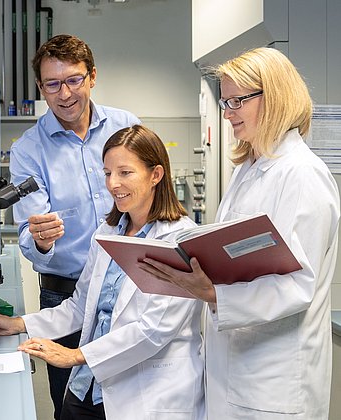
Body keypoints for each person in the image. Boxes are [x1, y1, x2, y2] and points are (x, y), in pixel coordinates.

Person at [139, 47, 340, 419]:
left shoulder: (301, 174)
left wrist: (213, 293)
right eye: (224, 100)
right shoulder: (250, 168)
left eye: (236, 101)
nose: (227, 112)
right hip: (234, 368)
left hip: (274, 381)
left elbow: (296, 285)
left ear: (275, 97)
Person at [0, 125, 205, 420]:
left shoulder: (179, 240)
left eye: (125, 173)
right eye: (108, 173)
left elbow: (154, 328)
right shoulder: (109, 231)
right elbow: (80, 307)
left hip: (147, 393)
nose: (113, 184)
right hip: (87, 388)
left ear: (156, 175)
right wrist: (19, 324)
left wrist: (75, 356)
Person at [9, 34, 139, 418]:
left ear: (92, 77)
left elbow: (150, 199)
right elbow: (28, 237)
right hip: (64, 294)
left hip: (130, 287)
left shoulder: (125, 127)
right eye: (52, 84)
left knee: (130, 400)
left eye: (74, 80)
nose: (64, 94)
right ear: (40, 87)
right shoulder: (28, 149)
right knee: (72, 406)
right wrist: (41, 240)